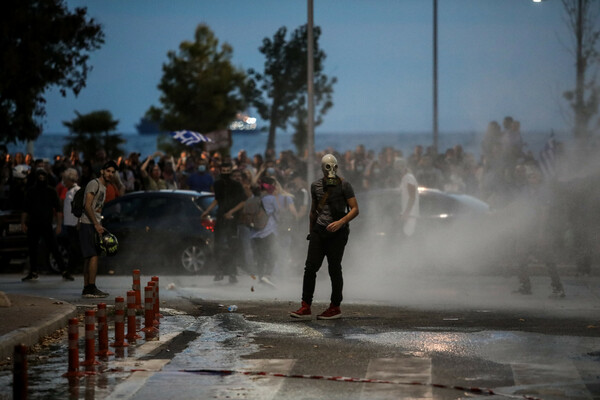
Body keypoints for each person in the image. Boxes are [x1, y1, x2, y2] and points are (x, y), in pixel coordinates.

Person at [290, 154, 359, 320]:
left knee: (334, 268)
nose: (331, 170)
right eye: (327, 167)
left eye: (333, 166)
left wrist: (341, 222)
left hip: (337, 233)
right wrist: (311, 231)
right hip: (319, 232)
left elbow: (355, 209)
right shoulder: (315, 186)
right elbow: (313, 211)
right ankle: (305, 306)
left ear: (337, 167)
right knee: (310, 268)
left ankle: (335, 307)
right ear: (322, 169)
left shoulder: (344, 185)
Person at [21, 168, 71, 281]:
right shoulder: (31, 191)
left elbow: (58, 209)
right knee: (33, 249)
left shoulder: (51, 191)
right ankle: (33, 271)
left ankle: (64, 271)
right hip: (33, 224)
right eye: (39, 176)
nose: (41, 178)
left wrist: (58, 225)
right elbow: (25, 209)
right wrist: (23, 222)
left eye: (43, 176)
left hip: (46, 224)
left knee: (54, 247)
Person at [201, 162, 247, 283]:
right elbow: (217, 199)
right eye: (224, 170)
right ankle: (219, 271)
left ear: (231, 171)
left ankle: (232, 273)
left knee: (232, 247)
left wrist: (231, 212)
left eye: (228, 170)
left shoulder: (237, 185)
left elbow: (243, 201)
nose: (225, 172)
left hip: (232, 220)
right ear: (220, 170)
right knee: (218, 246)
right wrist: (207, 211)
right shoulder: (217, 184)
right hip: (221, 218)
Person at [79, 160, 117, 298]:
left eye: (113, 172)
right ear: (102, 171)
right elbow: (87, 206)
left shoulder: (104, 187)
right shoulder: (94, 184)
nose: (110, 174)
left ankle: (87, 287)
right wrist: (95, 224)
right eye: (108, 171)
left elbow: (96, 209)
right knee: (93, 255)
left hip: (93, 223)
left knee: (90, 257)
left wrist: (99, 223)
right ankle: (90, 287)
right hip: (87, 223)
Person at [250, 177, 279, 287]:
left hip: (255, 232)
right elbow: (277, 212)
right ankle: (267, 275)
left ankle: (261, 276)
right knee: (272, 254)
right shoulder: (271, 198)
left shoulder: (254, 197)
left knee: (260, 255)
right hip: (269, 230)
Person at [57, 168, 81, 279]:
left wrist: (79, 221)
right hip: (69, 224)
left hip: (74, 224)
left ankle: (71, 269)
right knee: (72, 247)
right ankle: (70, 269)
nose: (63, 182)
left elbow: (81, 207)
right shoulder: (68, 191)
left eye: (65, 179)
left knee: (74, 247)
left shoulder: (77, 191)